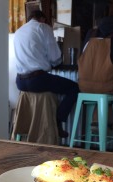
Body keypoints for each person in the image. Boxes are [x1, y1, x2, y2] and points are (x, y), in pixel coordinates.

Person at [13, 10, 79, 138]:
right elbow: (55, 58)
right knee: (73, 88)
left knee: (53, 84)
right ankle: (57, 121)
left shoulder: (19, 31)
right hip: (37, 80)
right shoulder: (43, 27)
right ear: (42, 18)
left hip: (20, 82)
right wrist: (56, 60)